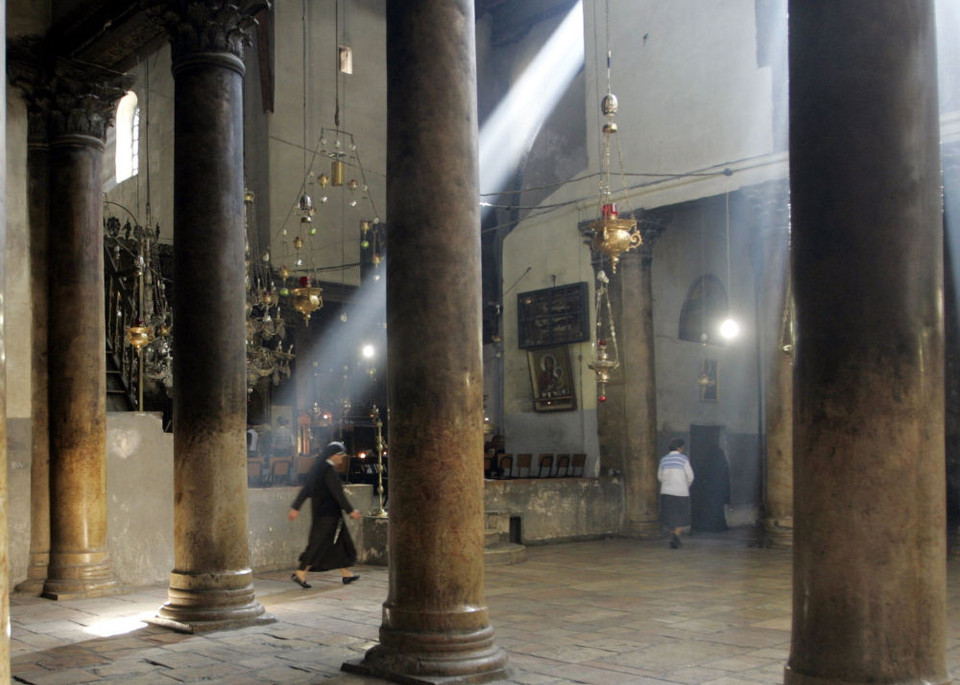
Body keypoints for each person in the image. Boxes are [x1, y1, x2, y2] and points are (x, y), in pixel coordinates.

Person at [288, 441, 362, 588]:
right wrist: (350, 511)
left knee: (337, 542)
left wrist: (296, 507)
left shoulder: (319, 469)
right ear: (333, 455)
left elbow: (306, 489)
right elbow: (338, 494)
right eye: (340, 455)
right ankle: (301, 572)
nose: (342, 458)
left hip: (322, 512)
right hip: (328, 513)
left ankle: (346, 574)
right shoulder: (329, 471)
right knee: (318, 543)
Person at [658, 437, 694, 549]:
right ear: (679, 448)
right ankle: (676, 536)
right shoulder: (683, 459)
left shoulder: (663, 460)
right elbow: (690, 476)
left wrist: (668, 483)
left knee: (670, 516)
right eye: (682, 448)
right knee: (681, 517)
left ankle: (674, 536)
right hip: (681, 492)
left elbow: (660, 476)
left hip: (666, 492)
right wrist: (684, 485)